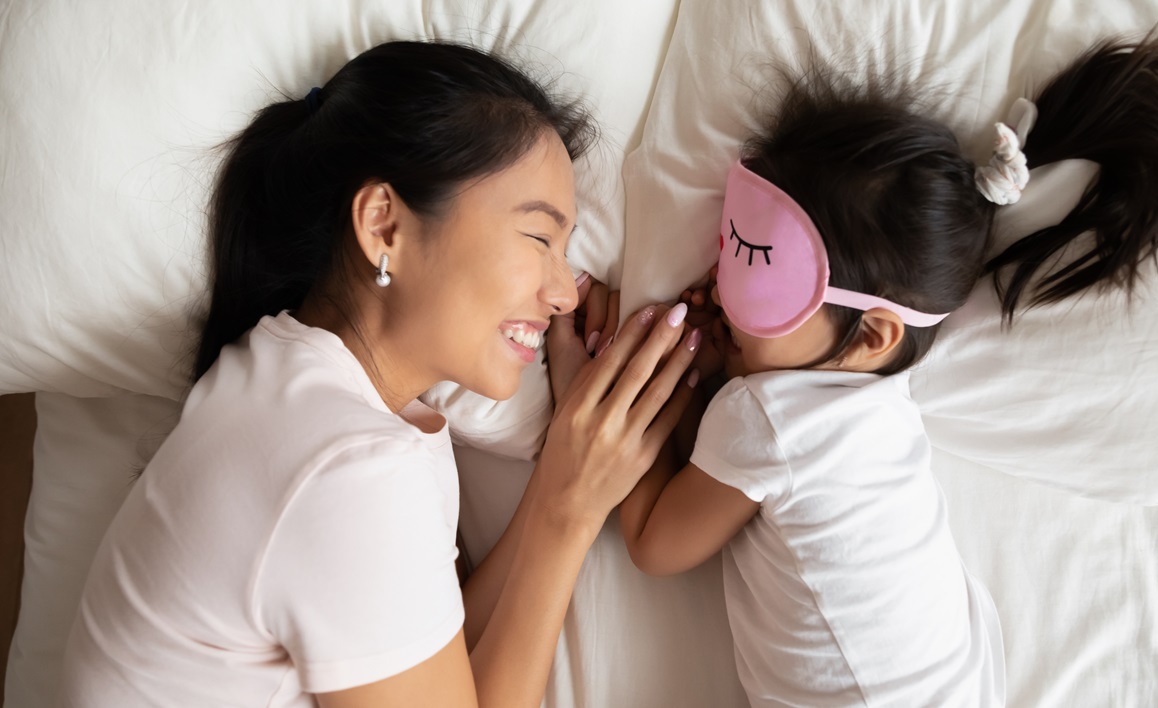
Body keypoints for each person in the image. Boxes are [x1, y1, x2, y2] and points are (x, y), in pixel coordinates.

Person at [61, 40, 700, 707]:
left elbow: (426, 659)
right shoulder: (349, 468)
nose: (566, 293)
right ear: (382, 224)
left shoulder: (284, 381)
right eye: (539, 239)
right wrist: (571, 512)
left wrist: (560, 484)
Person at [619, 33, 1158, 707]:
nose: (723, 290)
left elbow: (656, 541)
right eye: (732, 251)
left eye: (760, 273)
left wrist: (638, 371)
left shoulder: (766, 420)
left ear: (874, 333)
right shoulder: (876, 414)